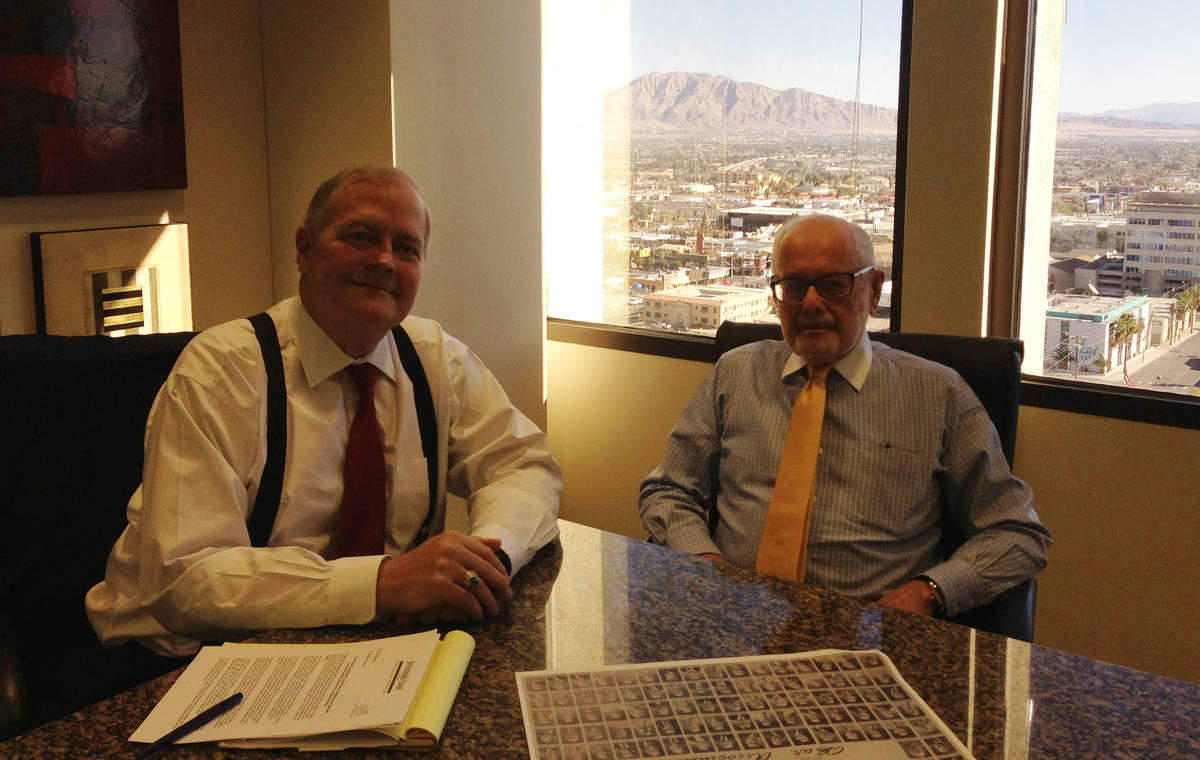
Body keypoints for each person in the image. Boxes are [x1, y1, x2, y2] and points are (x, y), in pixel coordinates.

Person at [87, 165, 561, 657]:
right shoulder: (220, 373)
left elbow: (523, 464)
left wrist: (487, 558)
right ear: (304, 248)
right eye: (360, 237)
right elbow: (185, 582)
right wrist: (381, 583)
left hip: (363, 648)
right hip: (170, 659)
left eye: (406, 248)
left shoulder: (433, 357)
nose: (384, 260)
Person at [639, 213, 1050, 617]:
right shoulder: (735, 373)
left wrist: (929, 592)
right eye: (795, 287)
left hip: (870, 633)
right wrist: (704, 562)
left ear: (873, 291)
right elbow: (670, 490)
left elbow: (1016, 532)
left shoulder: (938, 394)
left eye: (834, 285)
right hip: (734, 615)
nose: (812, 304)